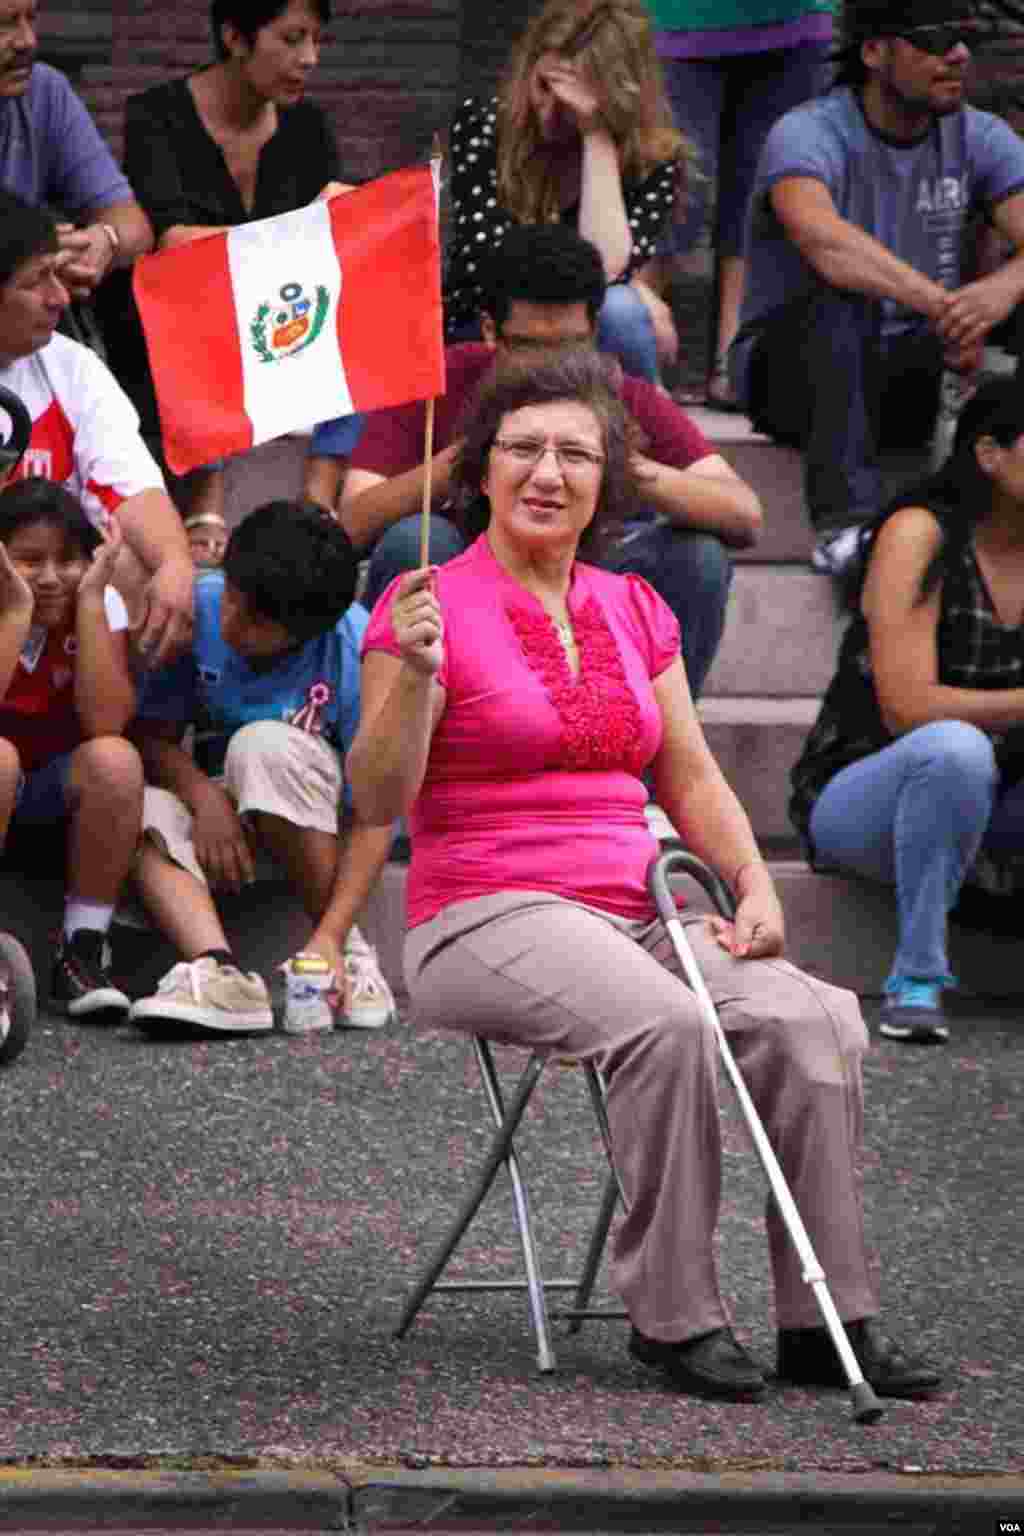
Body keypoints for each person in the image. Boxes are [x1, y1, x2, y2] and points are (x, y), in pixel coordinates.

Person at [346, 347, 942, 1404]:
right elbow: (380, 799)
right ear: (479, 468)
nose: (548, 472)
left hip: (640, 903)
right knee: (662, 1025)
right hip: (482, 911)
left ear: (606, 477)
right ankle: (674, 1317)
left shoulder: (632, 606)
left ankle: (824, 1322)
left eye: (575, 453)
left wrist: (753, 888)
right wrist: (417, 679)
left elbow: (693, 775)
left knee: (817, 1023)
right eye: (523, 449)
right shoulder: (423, 599)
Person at [342, 224, 761, 698]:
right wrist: (463, 460)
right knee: (414, 542)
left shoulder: (620, 393)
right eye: (528, 349)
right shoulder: (440, 385)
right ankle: (410, 741)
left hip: (586, 589)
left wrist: (620, 462)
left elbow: (743, 513)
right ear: (489, 332)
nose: (549, 367)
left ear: (595, 334)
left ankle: (652, 757)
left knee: (697, 558)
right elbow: (353, 521)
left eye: (568, 346)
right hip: (470, 587)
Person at [729, 0, 1024, 574]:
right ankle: (846, 528)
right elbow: (825, 243)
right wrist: (948, 308)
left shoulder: (977, 135)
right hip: (794, 375)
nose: (958, 55)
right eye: (937, 37)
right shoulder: (809, 132)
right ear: (874, 52)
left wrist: (1002, 289)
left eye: (965, 38)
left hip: (908, 365)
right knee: (844, 298)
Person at [791, 378, 1024, 1044]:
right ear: (989, 453)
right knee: (954, 748)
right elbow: (907, 707)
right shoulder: (921, 535)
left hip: (999, 805)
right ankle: (916, 976)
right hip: (869, 794)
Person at [128, 500, 395, 1036]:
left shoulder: (356, 646)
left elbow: (377, 812)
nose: (229, 620)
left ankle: (346, 951)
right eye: (230, 596)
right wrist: (204, 800)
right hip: (217, 811)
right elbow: (151, 738)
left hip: (314, 821)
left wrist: (332, 930)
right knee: (138, 803)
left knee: (262, 745)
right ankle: (221, 972)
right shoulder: (198, 609)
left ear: (307, 630)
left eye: (253, 620)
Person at [99, 0, 361, 523]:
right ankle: (206, 492)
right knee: (200, 279)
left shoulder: (306, 128)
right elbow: (175, 244)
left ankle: (320, 489)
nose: (309, 58)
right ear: (235, 38)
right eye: (291, 40)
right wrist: (303, 228)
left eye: (316, 41)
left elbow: (326, 240)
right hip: (176, 324)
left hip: (275, 315)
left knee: (361, 303)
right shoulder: (157, 116)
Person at [444, 0, 689, 383]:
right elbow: (487, 264)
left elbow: (607, 269)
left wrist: (595, 135)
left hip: (585, 332)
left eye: (575, 98)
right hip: (489, 325)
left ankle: (638, 430)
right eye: (544, 86)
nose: (550, 111)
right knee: (623, 303)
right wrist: (632, 286)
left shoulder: (653, 158)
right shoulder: (484, 124)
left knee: (619, 311)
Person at [0, 192, 194, 665]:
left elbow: (127, 489)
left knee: (144, 566)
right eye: (36, 281)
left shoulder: (72, 366)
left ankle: (139, 727)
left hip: (46, 588)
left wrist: (175, 564)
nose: (60, 298)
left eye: (58, 275)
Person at [0, 479, 143, 1019]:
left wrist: (89, 600)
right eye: (29, 560)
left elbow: (106, 720)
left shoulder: (98, 601)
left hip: (55, 795)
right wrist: (16, 612)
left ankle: (80, 950)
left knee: (115, 757)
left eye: (69, 559)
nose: (52, 576)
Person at [647, 0, 835, 409]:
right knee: (671, 183)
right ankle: (636, 356)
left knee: (768, 186)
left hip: (796, 20)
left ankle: (735, 361)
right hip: (671, 15)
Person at [0, 0, 153, 301]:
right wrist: (33, 251)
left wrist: (103, 240)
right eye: (5, 23)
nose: (27, 40)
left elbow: (134, 227)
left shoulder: (44, 91)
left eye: (31, 18)